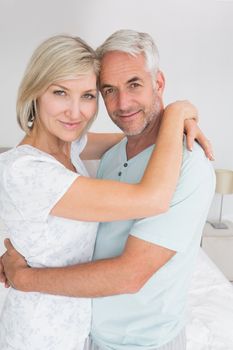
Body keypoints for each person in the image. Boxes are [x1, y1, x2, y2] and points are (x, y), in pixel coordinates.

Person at [0, 31, 214, 350]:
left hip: (139, 342)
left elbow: (130, 274)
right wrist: (177, 112)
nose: (76, 113)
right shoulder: (32, 169)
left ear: (159, 83)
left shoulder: (74, 148)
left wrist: (178, 113)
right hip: (52, 334)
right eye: (108, 90)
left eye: (87, 95)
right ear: (35, 91)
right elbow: (149, 192)